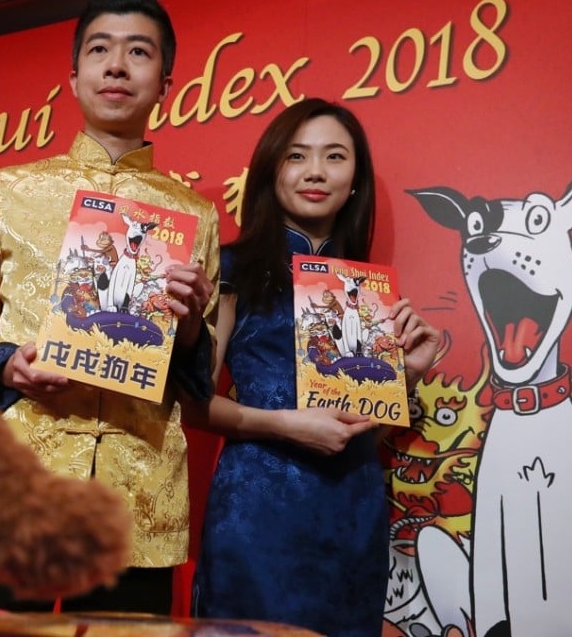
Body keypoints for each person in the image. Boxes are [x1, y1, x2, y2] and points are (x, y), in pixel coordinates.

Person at [0, 0, 220, 615]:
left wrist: (189, 329)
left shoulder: (194, 216)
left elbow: (195, 372)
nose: (117, 65)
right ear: (74, 78)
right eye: (100, 49)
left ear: (165, 84)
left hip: (138, 495)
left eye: (138, 51)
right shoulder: (7, 191)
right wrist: (6, 365)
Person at [185, 98, 440, 636]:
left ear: (356, 182)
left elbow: (360, 430)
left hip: (353, 515)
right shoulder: (232, 268)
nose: (316, 172)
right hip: (258, 514)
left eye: (335, 156)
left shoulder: (366, 290)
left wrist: (408, 376)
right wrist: (284, 425)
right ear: (270, 171)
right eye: (297, 156)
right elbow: (194, 403)